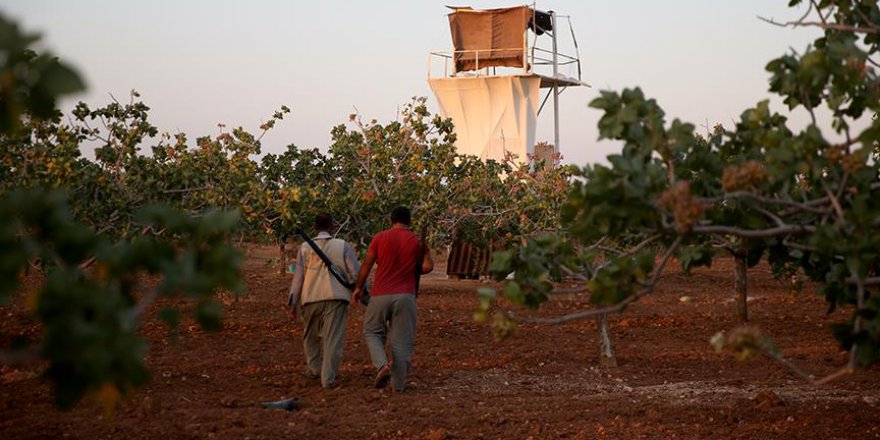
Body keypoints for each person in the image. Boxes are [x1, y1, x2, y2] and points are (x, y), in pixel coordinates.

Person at [353, 206, 433, 392]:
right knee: (401, 342)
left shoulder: (380, 238)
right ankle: (398, 386)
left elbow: (367, 263)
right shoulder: (417, 241)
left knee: (372, 331)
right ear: (409, 222)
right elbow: (428, 266)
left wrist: (358, 287)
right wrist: (413, 269)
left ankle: (382, 366)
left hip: (381, 294)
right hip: (406, 295)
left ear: (391, 220)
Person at [288, 213, 361, 389]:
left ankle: (314, 369)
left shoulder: (305, 247)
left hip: (310, 297)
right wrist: (359, 290)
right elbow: (355, 272)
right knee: (332, 339)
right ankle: (328, 378)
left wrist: (293, 301)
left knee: (310, 336)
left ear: (315, 227)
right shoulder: (342, 245)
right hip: (335, 297)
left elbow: (298, 277)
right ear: (333, 226)